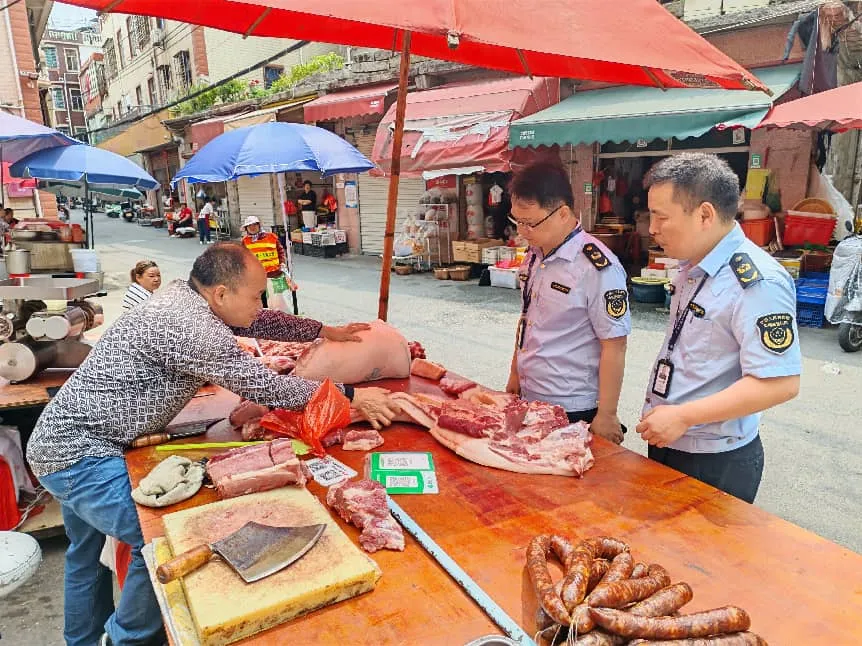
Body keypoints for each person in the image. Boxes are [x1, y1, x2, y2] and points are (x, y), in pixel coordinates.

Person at [26, 243, 399, 646]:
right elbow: (267, 386)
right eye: (256, 294)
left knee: (84, 555)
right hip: (81, 455)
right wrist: (349, 394)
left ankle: (79, 640)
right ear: (220, 293)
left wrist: (321, 331)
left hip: (60, 440)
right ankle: (126, 640)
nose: (261, 302)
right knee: (156, 541)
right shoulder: (194, 330)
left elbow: (256, 321)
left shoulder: (185, 295)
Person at [637, 153, 801, 503]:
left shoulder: (757, 282)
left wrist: (684, 415)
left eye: (661, 217)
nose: (652, 229)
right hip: (672, 442)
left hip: (714, 461)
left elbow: (780, 384)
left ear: (705, 215)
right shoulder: (693, 264)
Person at [506, 162, 630, 444]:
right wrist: (515, 373)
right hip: (530, 392)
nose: (522, 231)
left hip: (573, 406)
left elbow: (615, 343)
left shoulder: (596, 267)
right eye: (517, 221)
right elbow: (527, 318)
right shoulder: (536, 254)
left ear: (563, 213)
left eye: (530, 223)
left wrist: (607, 414)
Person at [241, 216, 287, 308]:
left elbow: (280, 251)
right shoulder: (245, 241)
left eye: (254, 225)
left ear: (259, 225)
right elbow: (243, 258)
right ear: (246, 228)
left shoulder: (271, 237)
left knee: (277, 302)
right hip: (256, 277)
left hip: (274, 275)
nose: (252, 227)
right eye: (249, 226)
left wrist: (282, 263)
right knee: (261, 301)